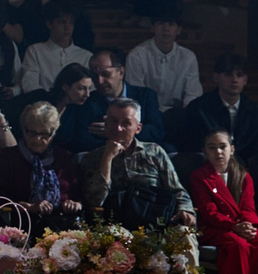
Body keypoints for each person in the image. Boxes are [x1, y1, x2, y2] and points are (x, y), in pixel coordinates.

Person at [187, 130, 258, 274]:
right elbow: (209, 211)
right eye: (212, 147)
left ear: (231, 149)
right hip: (214, 227)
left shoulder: (243, 176)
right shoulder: (199, 177)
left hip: (241, 225)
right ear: (204, 151)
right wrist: (233, 226)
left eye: (222, 147)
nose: (218, 152)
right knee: (239, 246)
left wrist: (247, 225)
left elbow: (248, 206)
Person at [78, 96, 192, 227]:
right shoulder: (92, 157)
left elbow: (177, 190)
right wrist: (107, 158)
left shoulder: (154, 152)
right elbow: (94, 200)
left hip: (153, 223)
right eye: (113, 121)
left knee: (184, 231)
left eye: (126, 123)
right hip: (111, 226)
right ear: (106, 123)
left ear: (138, 128)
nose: (118, 128)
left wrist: (185, 210)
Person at [0, 99, 84, 226]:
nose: (37, 139)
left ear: (53, 134)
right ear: (24, 130)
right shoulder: (9, 157)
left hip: (62, 222)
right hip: (22, 223)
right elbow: (0, 200)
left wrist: (74, 203)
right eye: (32, 133)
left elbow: (78, 194)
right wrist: (28, 207)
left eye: (44, 134)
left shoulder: (62, 156)